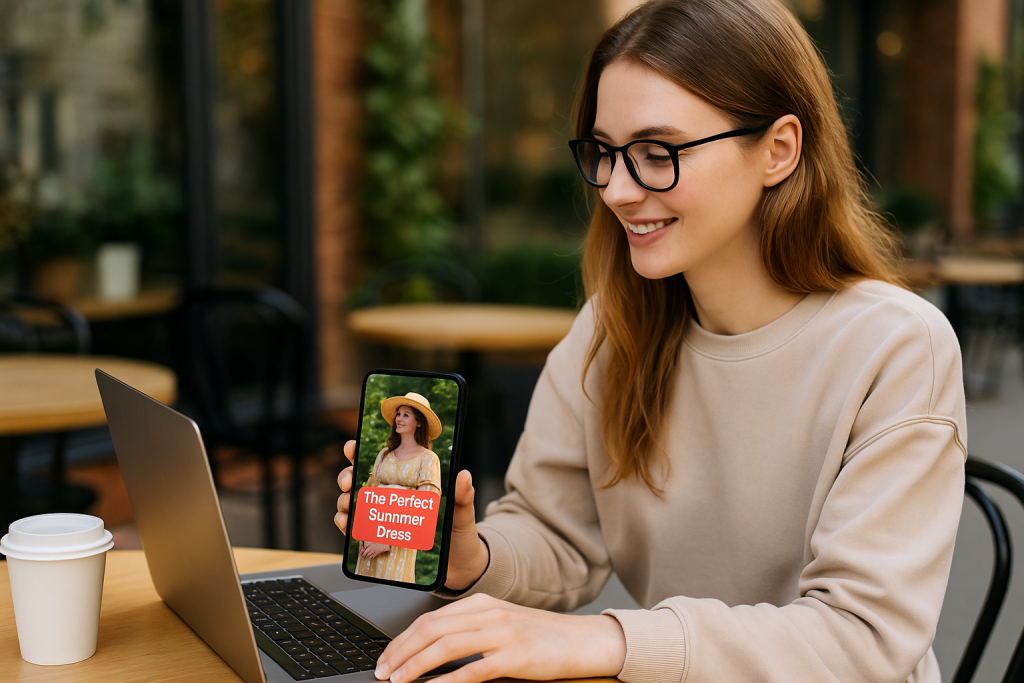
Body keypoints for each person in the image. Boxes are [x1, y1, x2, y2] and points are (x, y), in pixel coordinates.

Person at [335, 1, 966, 681]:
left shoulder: (897, 347)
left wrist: (608, 641)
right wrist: (473, 559)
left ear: (779, 150)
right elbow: (554, 533)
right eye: (604, 153)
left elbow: (861, 638)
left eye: (656, 153)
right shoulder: (612, 328)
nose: (616, 188)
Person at [353, 392, 443, 584]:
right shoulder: (384, 454)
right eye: (398, 414)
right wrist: (363, 535)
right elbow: (368, 498)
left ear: (419, 422)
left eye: (406, 415)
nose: (399, 419)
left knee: (390, 591)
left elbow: (426, 510)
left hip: (400, 542)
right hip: (369, 538)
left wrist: (387, 542)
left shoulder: (428, 458)